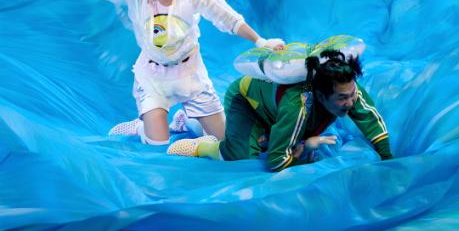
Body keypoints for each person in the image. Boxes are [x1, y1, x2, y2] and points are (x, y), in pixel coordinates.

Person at [13, 0, 284, 150]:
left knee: (226, 142)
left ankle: (186, 119)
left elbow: (229, 19)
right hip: (153, 77)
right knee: (157, 145)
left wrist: (261, 41)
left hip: (190, 75)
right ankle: (142, 124)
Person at [168, 50, 393, 171]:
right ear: (320, 95)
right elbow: (276, 161)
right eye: (343, 98)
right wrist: (306, 150)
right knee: (239, 157)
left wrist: (387, 159)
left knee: (272, 140)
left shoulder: (345, 86)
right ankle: (200, 139)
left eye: (352, 94)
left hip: (275, 108)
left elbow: (371, 121)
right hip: (247, 102)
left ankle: (196, 122)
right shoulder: (298, 105)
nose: (351, 101)